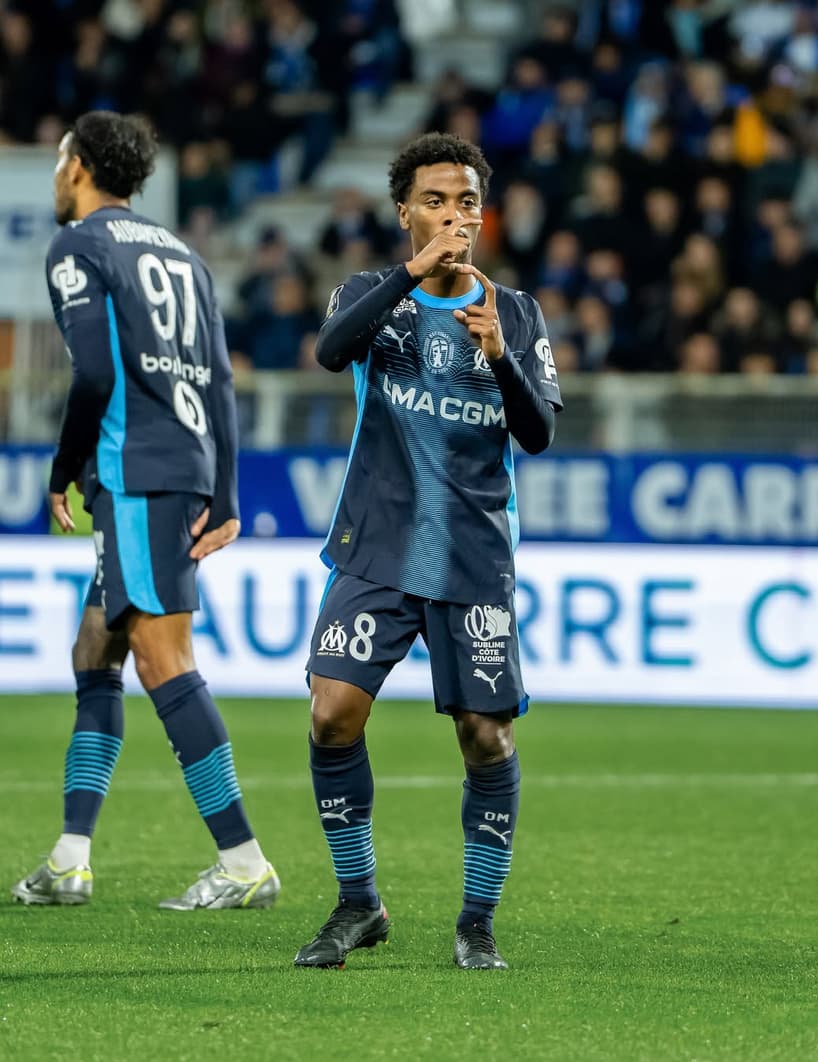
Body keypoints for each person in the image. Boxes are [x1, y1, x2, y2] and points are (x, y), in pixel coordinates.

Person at [294, 132, 563, 971]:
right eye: (438, 201)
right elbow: (331, 350)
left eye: (468, 203)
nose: (455, 216)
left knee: (486, 736)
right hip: (376, 544)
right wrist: (413, 276)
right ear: (405, 211)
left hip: (473, 556)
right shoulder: (373, 293)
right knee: (332, 713)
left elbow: (540, 432)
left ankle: (476, 920)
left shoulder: (515, 313)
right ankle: (358, 902)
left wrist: (499, 357)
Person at [11, 111, 279, 911]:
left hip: (137, 471)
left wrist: (61, 470)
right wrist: (225, 492)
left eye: (61, 159)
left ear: (81, 166)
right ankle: (69, 858)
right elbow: (223, 381)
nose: (57, 174)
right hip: (184, 467)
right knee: (97, 651)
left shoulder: (79, 248)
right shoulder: (184, 255)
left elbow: (93, 373)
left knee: (163, 660)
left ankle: (242, 860)